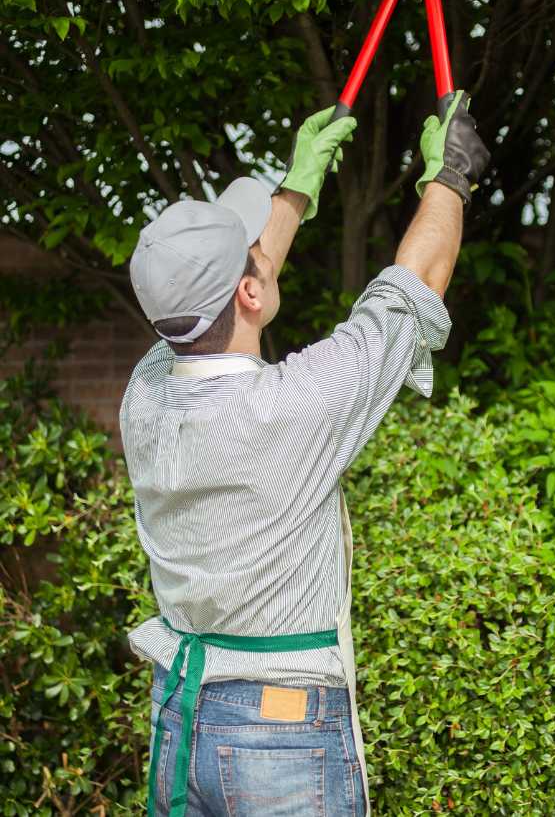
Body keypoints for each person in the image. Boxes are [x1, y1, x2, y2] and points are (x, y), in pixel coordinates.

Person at [120, 90, 490, 817]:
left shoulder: (146, 394)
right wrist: (450, 179)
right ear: (251, 291)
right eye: (254, 255)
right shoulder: (294, 408)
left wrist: (293, 193)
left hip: (179, 722)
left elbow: (233, 294)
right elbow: (412, 289)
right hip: (278, 740)